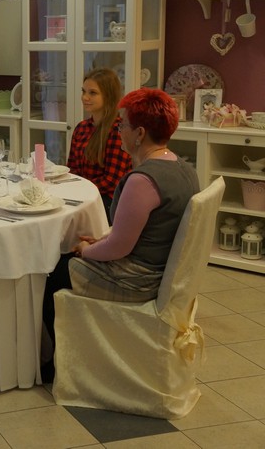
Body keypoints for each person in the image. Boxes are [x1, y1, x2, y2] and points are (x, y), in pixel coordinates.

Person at [42, 88, 199, 379]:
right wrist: (101, 241)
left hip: (138, 279)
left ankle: (60, 364)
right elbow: (137, 232)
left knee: (53, 273)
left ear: (139, 134)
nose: (119, 130)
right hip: (162, 269)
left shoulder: (143, 180)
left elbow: (119, 248)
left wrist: (86, 250)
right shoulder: (183, 168)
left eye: (122, 125)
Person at [66, 67, 131, 217]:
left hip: (107, 203)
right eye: (83, 91)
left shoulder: (118, 130)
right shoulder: (81, 128)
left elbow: (112, 181)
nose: (85, 97)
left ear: (108, 96)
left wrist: (80, 191)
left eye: (92, 93)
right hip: (82, 196)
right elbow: (72, 168)